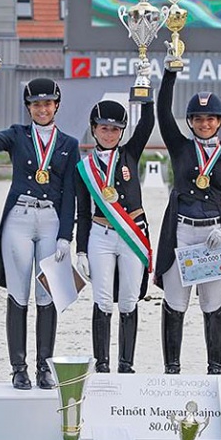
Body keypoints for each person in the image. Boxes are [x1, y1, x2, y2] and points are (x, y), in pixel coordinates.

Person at [0, 78, 79, 390]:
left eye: (47, 104)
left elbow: (70, 192)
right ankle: (19, 367)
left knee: (47, 294)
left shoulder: (69, 144)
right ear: (28, 107)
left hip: (51, 219)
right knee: (18, 293)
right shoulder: (17, 135)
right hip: (19, 217)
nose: (42, 109)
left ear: (56, 105)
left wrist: (65, 235)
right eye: (36, 104)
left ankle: (45, 366)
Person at [155, 56, 221, 375]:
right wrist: (170, 74)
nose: (204, 124)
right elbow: (162, 112)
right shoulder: (180, 148)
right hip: (182, 232)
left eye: (210, 119)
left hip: (212, 238)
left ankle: (215, 368)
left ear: (219, 121)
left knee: (213, 305)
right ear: (191, 121)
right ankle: (172, 367)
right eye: (198, 118)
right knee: (175, 304)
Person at [75, 94, 154, 373]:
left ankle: (126, 364)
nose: (109, 134)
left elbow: (148, 122)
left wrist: (146, 92)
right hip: (100, 235)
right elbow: (83, 212)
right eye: (104, 128)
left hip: (131, 233)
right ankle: (103, 363)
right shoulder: (84, 168)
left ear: (123, 131)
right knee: (103, 300)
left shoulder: (130, 153)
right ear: (94, 128)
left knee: (130, 299)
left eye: (116, 129)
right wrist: (80, 249)